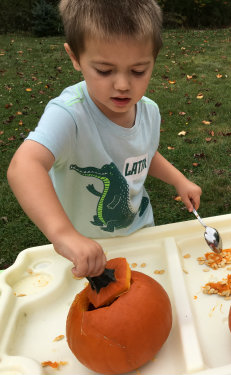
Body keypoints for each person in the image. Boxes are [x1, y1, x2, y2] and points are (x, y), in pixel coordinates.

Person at [7, 0, 201, 279]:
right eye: (104, 70)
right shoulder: (69, 114)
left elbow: (143, 153)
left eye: (138, 71)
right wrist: (64, 235)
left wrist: (179, 180)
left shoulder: (149, 111)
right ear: (74, 57)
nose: (123, 84)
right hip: (84, 249)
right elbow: (24, 166)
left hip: (142, 234)